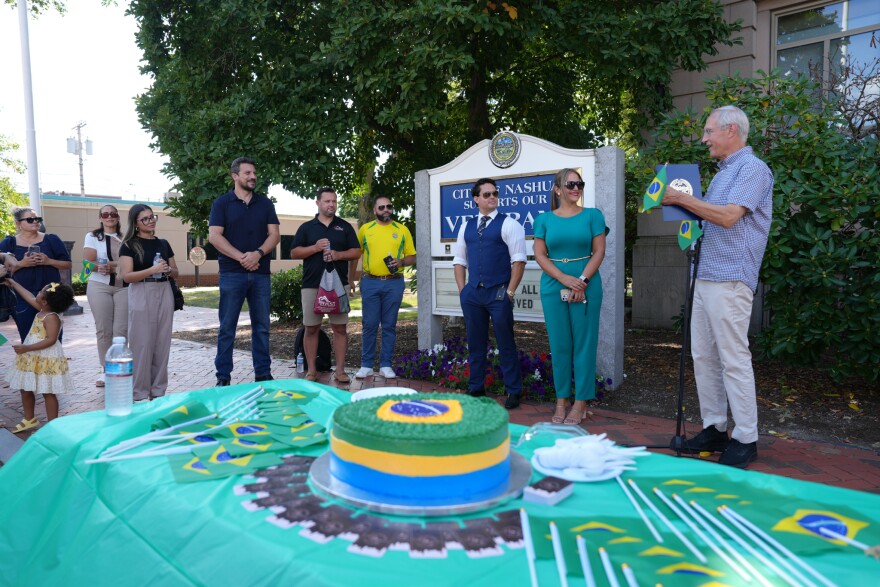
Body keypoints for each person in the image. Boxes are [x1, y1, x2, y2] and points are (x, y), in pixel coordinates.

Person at [662, 105, 773, 468]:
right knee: (704, 357)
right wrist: (685, 213)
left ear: (730, 131)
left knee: (733, 359)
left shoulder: (752, 169)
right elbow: (709, 217)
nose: (704, 139)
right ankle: (714, 428)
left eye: (709, 131)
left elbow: (727, 217)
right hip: (706, 276)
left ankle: (746, 438)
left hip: (730, 277)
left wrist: (680, 198)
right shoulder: (723, 172)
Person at [533, 168, 606, 425]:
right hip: (554, 286)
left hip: (586, 286)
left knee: (584, 344)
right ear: (558, 189)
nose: (576, 188)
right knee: (560, 344)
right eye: (570, 184)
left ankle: (581, 401)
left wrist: (581, 282)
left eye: (579, 184)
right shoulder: (543, 219)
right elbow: (540, 255)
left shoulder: (592, 216)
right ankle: (562, 399)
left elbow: (598, 252)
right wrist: (564, 279)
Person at [453, 178, 526, 409]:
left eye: (495, 193)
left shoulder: (510, 224)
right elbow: (459, 260)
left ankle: (513, 390)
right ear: (476, 199)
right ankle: (476, 387)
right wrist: (463, 291)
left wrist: (510, 293)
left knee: (506, 343)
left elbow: (519, 261)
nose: (492, 197)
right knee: (475, 343)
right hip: (473, 293)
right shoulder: (466, 226)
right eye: (486, 194)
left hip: (499, 292)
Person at [208, 157, 281, 386]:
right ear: (235, 176)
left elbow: (275, 235)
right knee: (227, 327)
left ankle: (263, 373)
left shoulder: (265, 204)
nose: (253, 176)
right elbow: (214, 236)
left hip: (260, 273)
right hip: (232, 273)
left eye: (254, 173)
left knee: (262, 326)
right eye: (247, 173)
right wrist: (242, 257)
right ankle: (223, 377)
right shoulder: (222, 203)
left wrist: (257, 254)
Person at [291, 186, 360, 384]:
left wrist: (339, 255)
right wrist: (314, 248)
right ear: (318, 203)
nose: (331, 204)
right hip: (312, 284)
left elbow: (356, 252)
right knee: (311, 328)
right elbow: (294, 253)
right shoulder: (306, 227)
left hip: (339, 285)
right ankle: (311, 371)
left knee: (340, 329)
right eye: (327, 201)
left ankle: (340, 371)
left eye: (334, 201)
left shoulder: (344, 227)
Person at [119, 204, 179, 402]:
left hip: (164, 290)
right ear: (135, 223)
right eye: (145, 218)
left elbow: (176, 271)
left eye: (152, 217)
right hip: (141, 290)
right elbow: (126, 276)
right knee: (141, 343)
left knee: (162, 343)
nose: (150, 220)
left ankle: (158, 392)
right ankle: (139, 393)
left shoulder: (163, 243)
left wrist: (167, 270)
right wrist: (151, 270)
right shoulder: (128, 245)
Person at [354, 196, 417, 379]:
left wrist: (402, 261)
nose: (386, 210)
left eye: (389, 206)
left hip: (394, 282)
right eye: (381, 207)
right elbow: (356, 254)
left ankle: (386, 365)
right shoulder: (366, 229)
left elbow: (412, 256)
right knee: (369, 325)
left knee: (389, 325)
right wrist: (351, 279)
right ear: (375, 210)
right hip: (370, 282)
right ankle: (366, 365)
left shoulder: (402, 229)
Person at [4, 279, 76, 433]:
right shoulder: (43, 310)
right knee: (25, 387)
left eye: (40, 292)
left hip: (45, 357)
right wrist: (14, 283)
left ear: (44, 301)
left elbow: (51, 339)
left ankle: (53, 425)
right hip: (32, 356)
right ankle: (29, 418)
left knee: (48, 391)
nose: (37, 293)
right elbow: (29, 296)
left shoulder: (51, 317)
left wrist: (27, 347)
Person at [0, 207, 72, 342]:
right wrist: (22, 263)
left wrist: (48, 261)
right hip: (21, 296)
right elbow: (3, 271)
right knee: (27, 338)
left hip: (51, 295)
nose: (35, 222)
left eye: (37, 219)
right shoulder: (9, 243)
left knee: (53, 337)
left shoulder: (51, 239)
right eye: (30, 219)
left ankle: (53, 362)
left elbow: (67, 264)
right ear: (18, 223)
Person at [83, 205, 128, 388]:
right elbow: (87, 263)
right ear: (100, 218)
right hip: (99, 285)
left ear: (117, 217)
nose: (109, 217)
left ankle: (119, 367)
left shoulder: (126, 238)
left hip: (124, 287)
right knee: (104, 330)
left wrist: (113, 264)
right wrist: (99, 266)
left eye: (113, 214)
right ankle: (105, 369)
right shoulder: (92, 237)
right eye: (105, 214)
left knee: (121, 330)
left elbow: (131, 262)